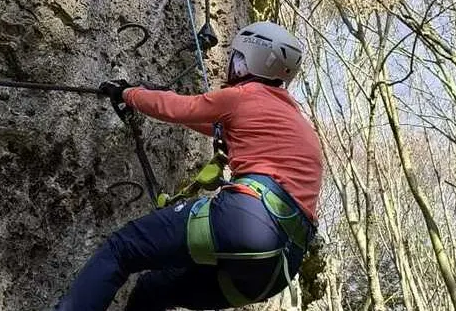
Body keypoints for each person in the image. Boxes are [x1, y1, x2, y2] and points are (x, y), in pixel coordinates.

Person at [54, 21, 323, 311]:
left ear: (246, 60)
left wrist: (128, 93)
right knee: (155, 289)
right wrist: (150, 100)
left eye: (236, 57)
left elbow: (181, 108)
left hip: (248, 219)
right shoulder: (294, 121)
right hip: (277, 267)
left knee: (123, 248)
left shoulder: (242, 97)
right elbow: (203, 120)